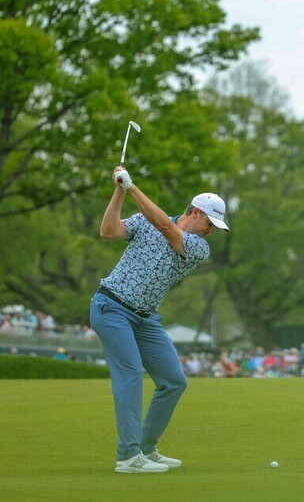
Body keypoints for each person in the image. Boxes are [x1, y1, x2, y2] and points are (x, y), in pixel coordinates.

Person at [89, 165, 229, 473]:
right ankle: (128, 457)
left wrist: (132, 187)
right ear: (195, 212)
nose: (211, 231)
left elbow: (165, 226)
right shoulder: (145, 220)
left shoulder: (198, 247)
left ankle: (146, 448)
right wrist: (119, 191)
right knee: (130, 375)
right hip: (111, 308)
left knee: (173, 381)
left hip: (145, 318)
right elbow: (109, 231)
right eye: (210, 223)